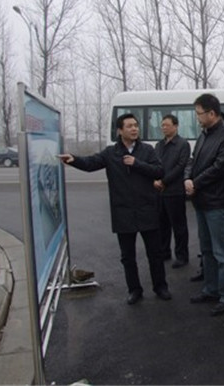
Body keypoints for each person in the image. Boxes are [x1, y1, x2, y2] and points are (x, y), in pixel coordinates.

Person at [58, 113, 170, 305]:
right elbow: (91, 163)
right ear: (120, 130)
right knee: (128, 256)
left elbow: (159, 171)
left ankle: (160, 287)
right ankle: (134, 290)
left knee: (155, 253)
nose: (134, 129)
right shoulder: (111, 153)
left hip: (147, 209)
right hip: (123, 211)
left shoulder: (147, 150)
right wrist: (73, 159)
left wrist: (137, 163)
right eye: (129, 126)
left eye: (136, 125)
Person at [184, 93, 224, 317]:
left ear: (212, 113)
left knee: (223, 252)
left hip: (217, 202)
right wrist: (187, 178)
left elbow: (219, 168)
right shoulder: (204, 135)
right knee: (207, 250)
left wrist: (195, 183)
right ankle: (211, 289)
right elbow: (192, 160)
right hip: (201, 201)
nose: (197, 118)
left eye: (199, 113)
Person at [154, 114, 190, 268]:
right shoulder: (159, 145)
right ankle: (164, 252)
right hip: (160, 191)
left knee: (179, 226)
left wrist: (164, 181)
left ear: (175, 126)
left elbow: (180, 166)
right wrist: (155, 180)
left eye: (167, 125)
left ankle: (182, 256)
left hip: (175, 191)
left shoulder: (182, 144)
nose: (164, 128)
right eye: (162, 125)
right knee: (162, 224)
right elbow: (154, 164)